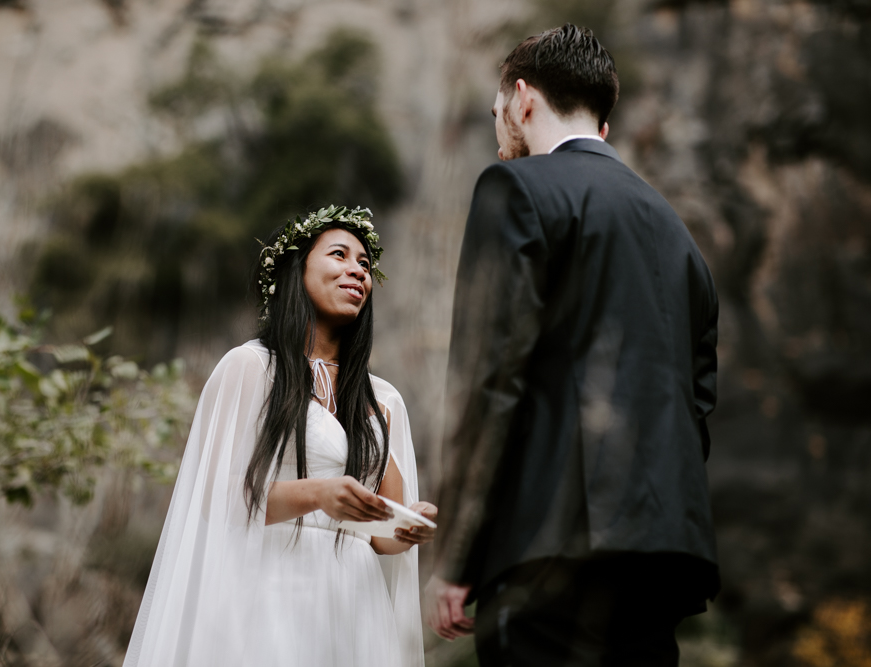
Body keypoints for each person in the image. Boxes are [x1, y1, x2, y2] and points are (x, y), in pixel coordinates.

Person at [425, 25, 721, 666]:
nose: (499, 127)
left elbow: (489, 380)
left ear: (523, 99)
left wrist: (457, 555)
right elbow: (697, 408)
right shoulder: (679, 236)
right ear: (604, 128)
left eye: (498, 110)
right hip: (663, 557)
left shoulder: (516, 190)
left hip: (546, 550)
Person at [123, 205, 435, 667]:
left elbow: (380, 537)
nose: (357, 270)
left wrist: (406, 525)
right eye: (339, 255)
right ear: (297, 270)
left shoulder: (382, 400)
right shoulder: (252, 368)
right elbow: (216, 497)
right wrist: (317, 493)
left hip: (356, 603)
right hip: (272, 587)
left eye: (365, 264)